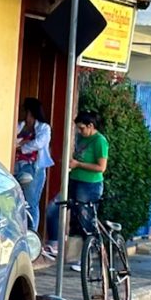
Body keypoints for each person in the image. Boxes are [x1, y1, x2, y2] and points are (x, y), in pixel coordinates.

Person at [43, 110, 109, 261]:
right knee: (53, 209)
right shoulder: (82, 138)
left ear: (91, 126)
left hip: (89, 185)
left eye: (82, 128)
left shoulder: (100, 141)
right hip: (73, 181)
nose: (79, 131)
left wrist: (78, 164)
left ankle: (86, 258)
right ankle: (54, 244)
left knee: (85, 221)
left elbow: (101, 167)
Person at [15, 98, 53, 231]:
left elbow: (39, 143)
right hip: (17, 165)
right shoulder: (19, 125)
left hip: (34, 168)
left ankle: (32, 235)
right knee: (16, 203)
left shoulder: (44, 128)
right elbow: (12, 139)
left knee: (31, 204)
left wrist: (21, 147)